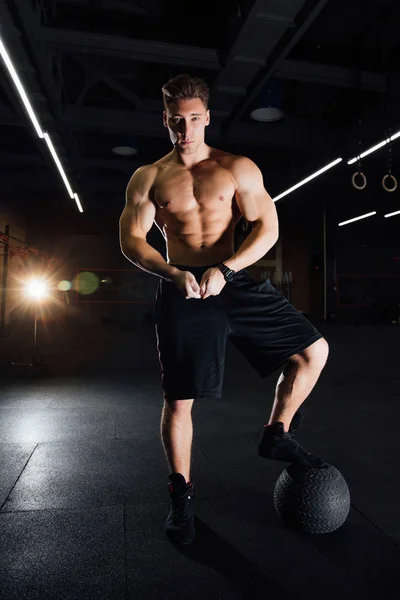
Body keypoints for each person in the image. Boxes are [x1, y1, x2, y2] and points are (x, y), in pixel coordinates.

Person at [119, 74, 329, 545]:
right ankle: (181, 497)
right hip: (182, 287)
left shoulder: (237, 168)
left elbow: (267, 227)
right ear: (166, 120)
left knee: (314, 351)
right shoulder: (149, 177)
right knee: (178, 402)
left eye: (195, 119)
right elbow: (131, 240)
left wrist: (229, 269)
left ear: (207, 117)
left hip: (232, 281)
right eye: (177, 120)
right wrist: (173, 275)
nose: (186, 130)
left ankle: (277, 432)